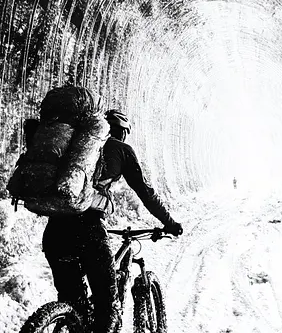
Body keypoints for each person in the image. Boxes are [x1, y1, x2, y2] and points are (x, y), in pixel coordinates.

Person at [42, 109, 183, 333]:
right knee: (108, 309)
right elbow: (146, 193)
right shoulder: (121, 149)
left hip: (55, 231)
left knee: (74, 306)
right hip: (88, 230)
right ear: (122, 132)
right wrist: (170, 223)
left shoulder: (72, 145)